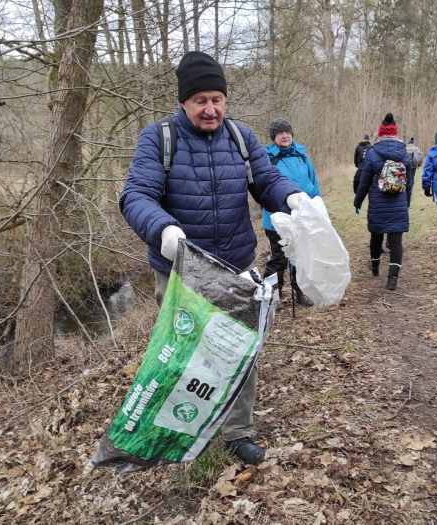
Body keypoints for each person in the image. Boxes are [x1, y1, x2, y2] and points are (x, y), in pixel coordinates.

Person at [119, 51, 307, 465]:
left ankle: (237, 433)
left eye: (217, 99)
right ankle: (182, 433)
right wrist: (162, 229)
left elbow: (266, 180)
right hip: (181, 272)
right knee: (185, 357)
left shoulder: (240, 137)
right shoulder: (159, 138)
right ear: (184, 102)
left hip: (237, 267)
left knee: (240, 350)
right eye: (201, 100)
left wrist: (292, 196)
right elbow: (135, 195)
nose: (211, 109)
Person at [261, 118, 321, 307]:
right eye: (280, 133)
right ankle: (272, 296)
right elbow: (262, 188)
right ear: (274, 137)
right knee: (278, 258)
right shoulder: (266, 157)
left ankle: (300, 291)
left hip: (301, 217)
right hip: (276, 219)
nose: (285, 136)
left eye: (287, 132)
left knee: (300, 256)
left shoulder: (302, 155)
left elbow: (313, 182)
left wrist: (318, 208)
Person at [353, 113, 412, 290]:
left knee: (376, 237)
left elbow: (363, 182)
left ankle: (376, 267)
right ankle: (392, 279)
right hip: (398, 203)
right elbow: (409, 183)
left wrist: (358, 202)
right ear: (396, 133)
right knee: (396, 242)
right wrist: (406, 202)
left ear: (380, 133)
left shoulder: (372, 153)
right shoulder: (404, 154)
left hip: (378, 203)